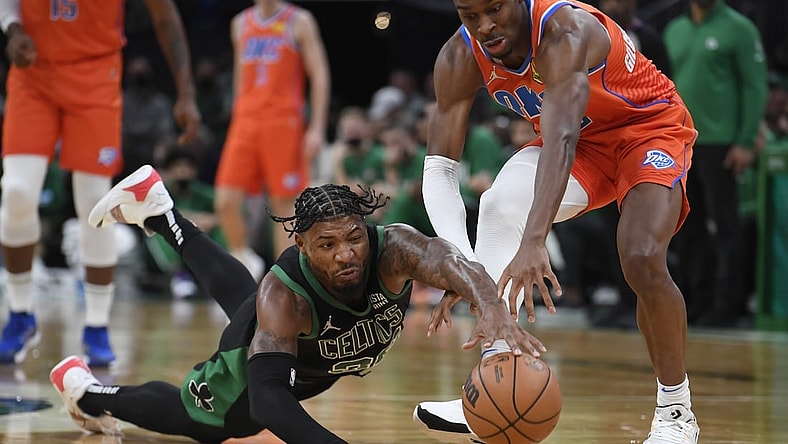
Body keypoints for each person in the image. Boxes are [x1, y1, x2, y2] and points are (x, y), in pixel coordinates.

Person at [48, 165, 546, 443]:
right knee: (214, 423)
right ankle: (85, 391)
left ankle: (159, 212)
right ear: (302, 247)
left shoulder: (394, 249)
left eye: (354, 238)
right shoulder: (284, 297)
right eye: (328, 245)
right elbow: (268, 401)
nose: (347, 254)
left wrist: (490, 305)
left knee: (245, 298)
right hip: (264, 367)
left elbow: (447, 260)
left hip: (313, 357)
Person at [414, 1, 700, 443]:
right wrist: (464, 266)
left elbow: (561, 139)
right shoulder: (459, 55)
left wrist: (534, 240)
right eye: (470, 15)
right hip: (581, 146)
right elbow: (439, 170)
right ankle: (493, 387)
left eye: (495, 9)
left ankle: (676, 413)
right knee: (498, 205)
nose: (485, 25)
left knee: (641, 257)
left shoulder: (565, 30)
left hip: (646, 130)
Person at [0, 0, 201, 366]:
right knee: (16, 193)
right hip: (34, 74)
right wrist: (13, 29)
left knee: (95, 200)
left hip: (95, 76)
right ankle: (19, 312)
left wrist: (186, 93)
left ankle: (96, 324)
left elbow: (165, 15)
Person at [664, 0, 768, 327]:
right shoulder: (674, 29)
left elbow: (754, 86)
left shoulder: (739, 28)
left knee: (725, 225)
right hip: (680, 142)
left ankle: (728, 305)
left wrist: (746, 140)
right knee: (686, 226)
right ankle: (697, 301)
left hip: (721, 142)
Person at [213, 0, 331, 281]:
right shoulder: (240, 23)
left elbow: (320, 75)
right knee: (225, 202)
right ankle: (245, 260)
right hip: (245, 121)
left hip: (283, 121)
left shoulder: (299, 20)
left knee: (284, 207)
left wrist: (317, 127)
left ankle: (285, 280)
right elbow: (241, 76)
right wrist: (237, 114)